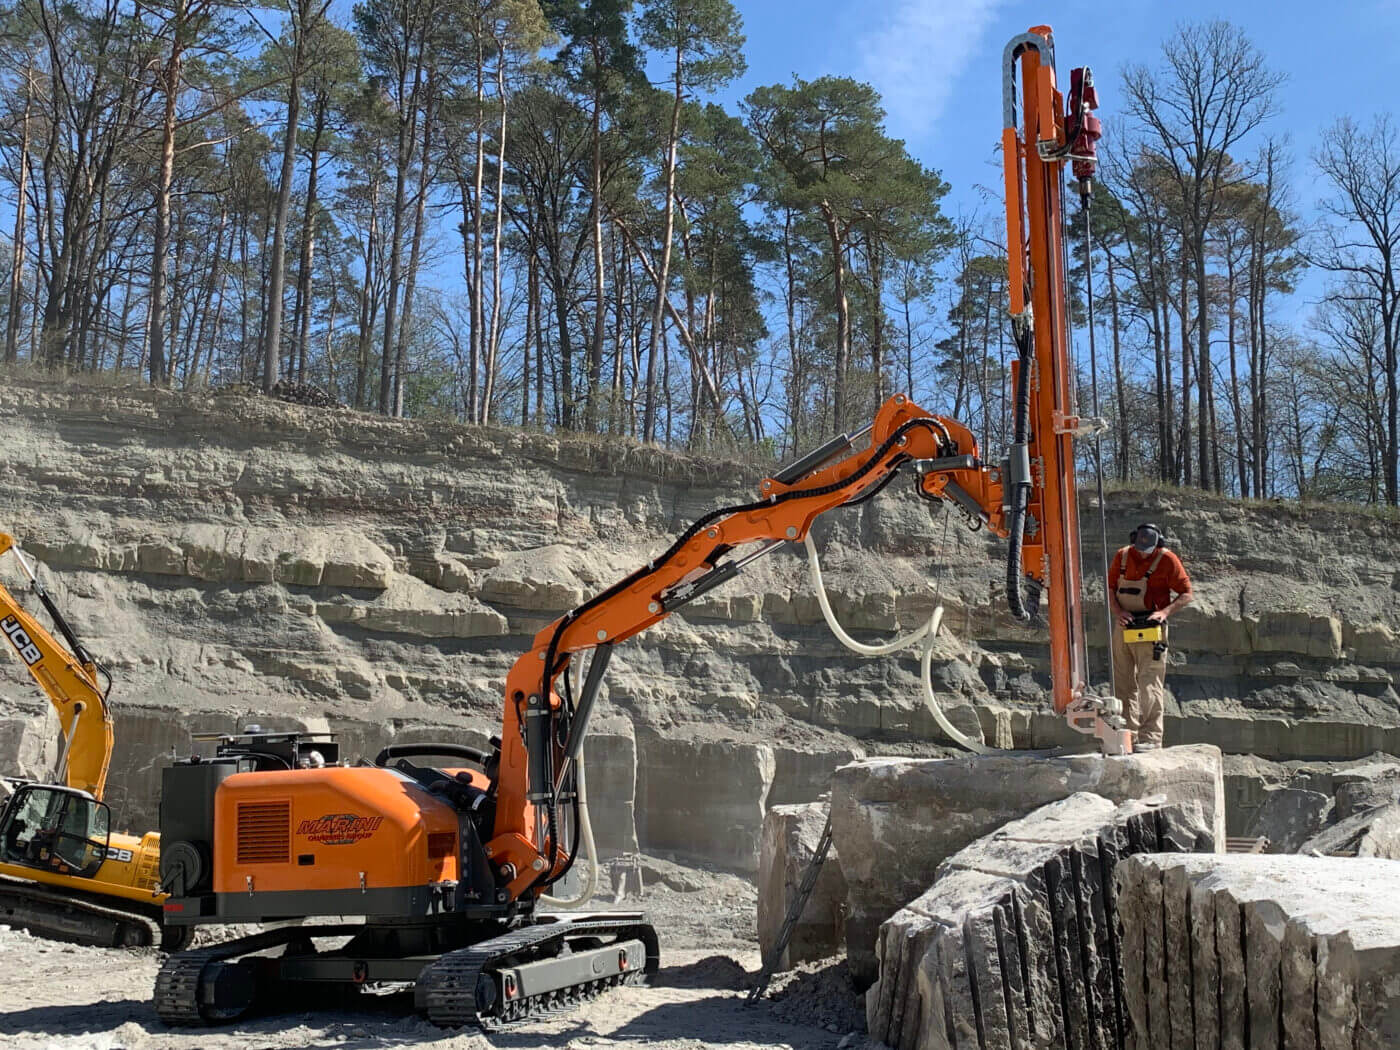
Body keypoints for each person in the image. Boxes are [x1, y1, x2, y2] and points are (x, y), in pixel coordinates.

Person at [1107, 522, 1192, 750]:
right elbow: (1111, 589)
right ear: (1134, 539)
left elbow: (1186, 593)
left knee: (1149, 684)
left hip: (1152, 628)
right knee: (1123, 683)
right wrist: (1119, 612)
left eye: (1148, 549)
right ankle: (1127, 735)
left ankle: (1151, 738)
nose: (1143, 552)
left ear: (1158, 544)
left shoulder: (1167, 560)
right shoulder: (1122, 556)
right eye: (1140, 548)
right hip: (1125, 626)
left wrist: (1164, 612)